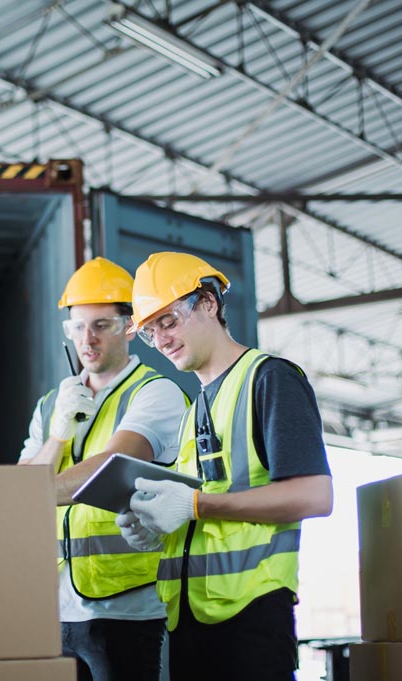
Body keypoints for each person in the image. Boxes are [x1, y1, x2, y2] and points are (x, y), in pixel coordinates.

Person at [115, 252, 333, 681]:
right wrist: (157, 528)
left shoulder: (269, 379)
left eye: (169, 321)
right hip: (190, 617)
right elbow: (203, 510)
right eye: (149, 331)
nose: (160, 340)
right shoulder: (193, 409)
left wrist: (195, 505)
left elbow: (315, 496)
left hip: (251, 617)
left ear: (209, 304)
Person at [18, 257, 188, 681]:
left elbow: (109, 467)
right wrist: (57, 435)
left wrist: (20, 496)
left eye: (101, 325)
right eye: (77, 327)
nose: (86, 339)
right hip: (54, 609)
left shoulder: (155, 393)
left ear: (129, 327)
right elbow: (17, 490)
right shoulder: (51, 405)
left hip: (127, 608)